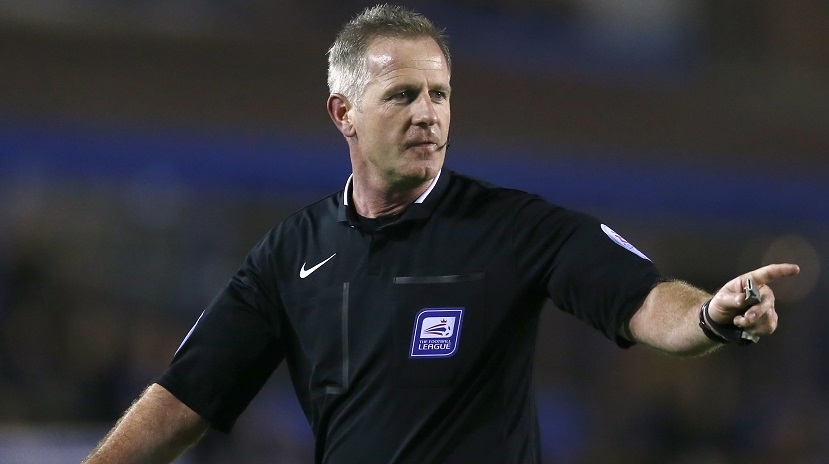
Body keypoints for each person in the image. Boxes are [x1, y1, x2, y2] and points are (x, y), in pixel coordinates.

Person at [83, 4, 800, 463]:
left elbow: (643, 299)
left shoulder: (514, 227)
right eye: (402, 95)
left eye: (439, 94)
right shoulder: (290, 254)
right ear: (343, 113)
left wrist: (711, 314)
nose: (428, 113)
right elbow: (182, 399)